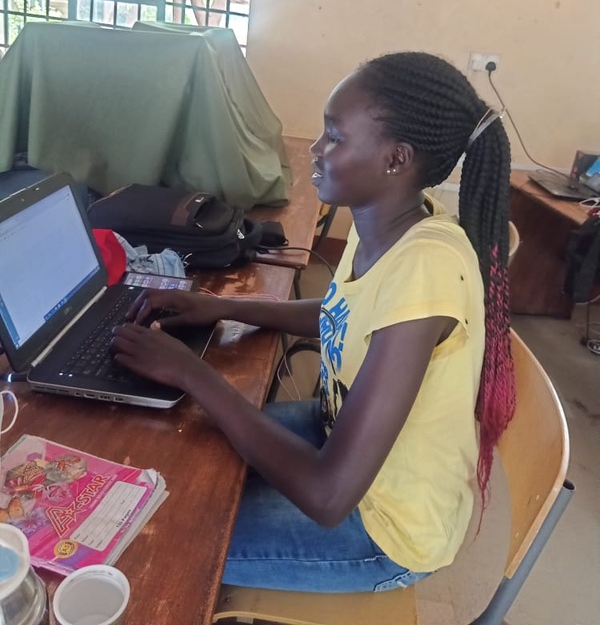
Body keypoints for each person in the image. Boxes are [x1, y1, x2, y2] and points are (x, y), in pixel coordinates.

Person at [111, 51, 515, 594]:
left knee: (161, 536)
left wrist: (191, 371)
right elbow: (341, 315)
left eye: (334, 137)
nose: (316, 151)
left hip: (383, 527)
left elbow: (329, 495)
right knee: (181, 457)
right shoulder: (388, 222)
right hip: (343, 443)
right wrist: (222, 305)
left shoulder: (426, 268)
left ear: (396, 159)